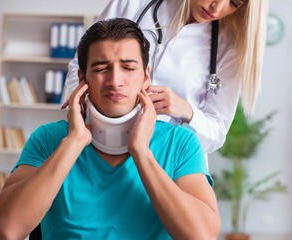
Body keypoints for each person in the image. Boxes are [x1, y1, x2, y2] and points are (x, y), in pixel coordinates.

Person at [0, 18, 220, 240]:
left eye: (128, 68)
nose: (115, 80)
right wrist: (73, 142)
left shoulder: (179, 143)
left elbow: (201, 236)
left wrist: (141, 153)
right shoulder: (49, 139)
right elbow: (7, 230)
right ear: (82, 78)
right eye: (101, 68)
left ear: (146, 77)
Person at [65, 0, 269, 154]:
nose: (217, 7)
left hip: (168, 157)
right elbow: (82, 62)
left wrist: (187, 111)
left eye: (234, 3)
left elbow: (216, 135)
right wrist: (83, 104)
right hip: (99, 140)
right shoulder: (133, 3)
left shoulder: (227, 49)